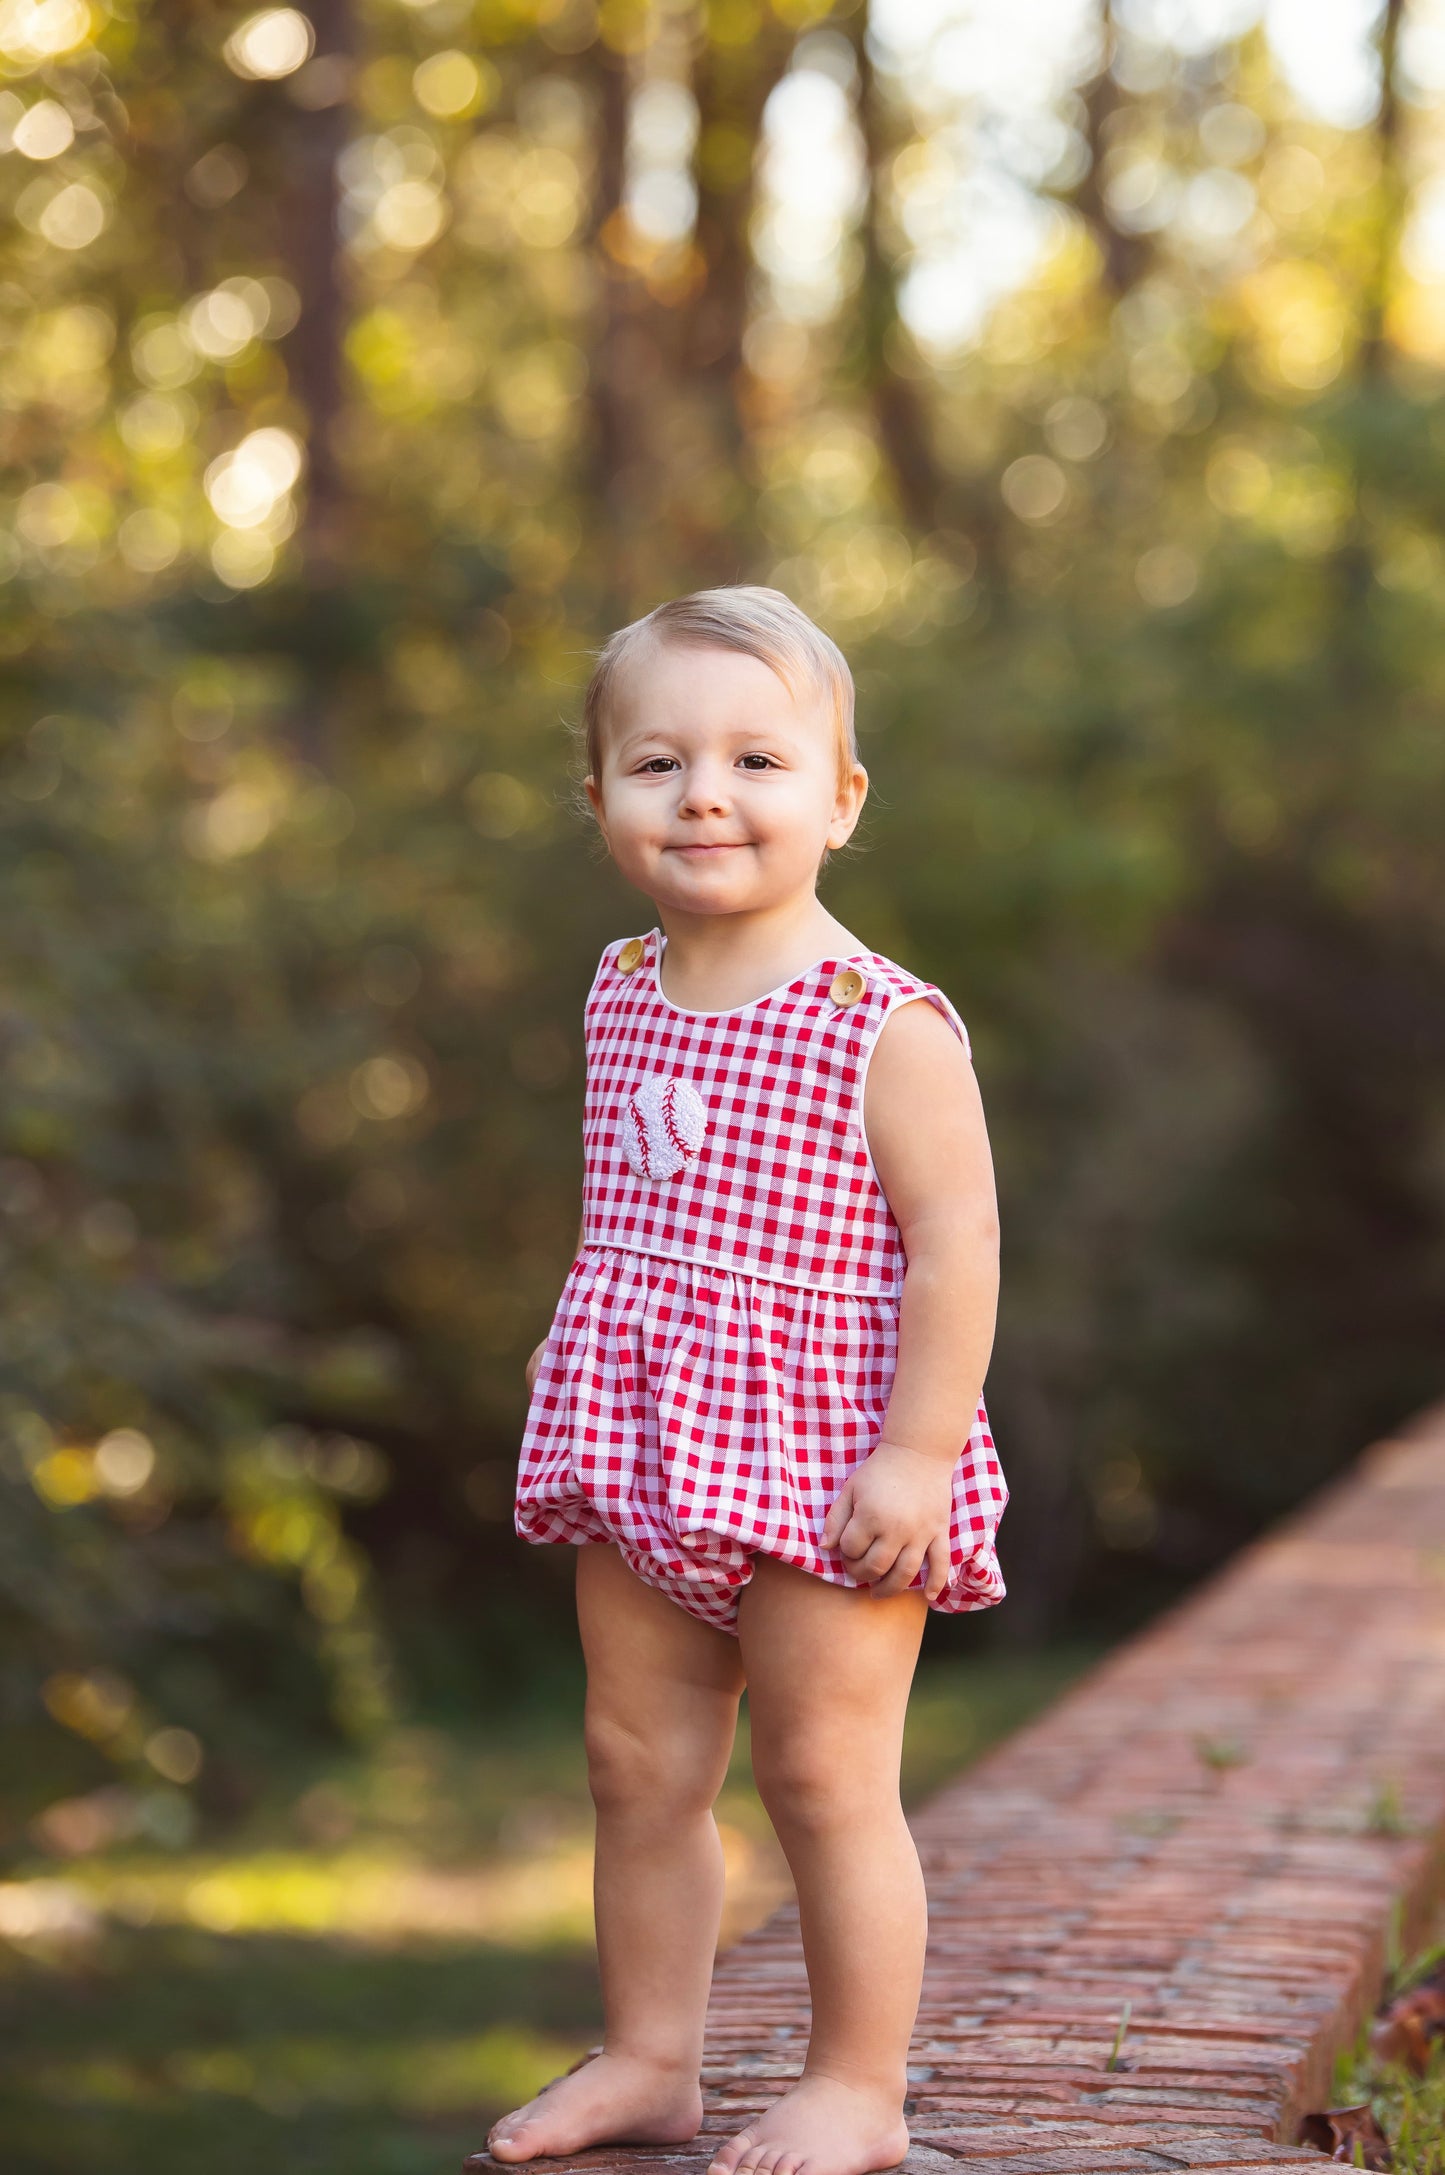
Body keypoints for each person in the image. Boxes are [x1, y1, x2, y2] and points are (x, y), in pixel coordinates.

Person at [478, 585, 1007, 2175]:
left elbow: (956, 1247)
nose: (705, 792)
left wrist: (913, 1455)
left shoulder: (878, 1022)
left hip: (827, 1444)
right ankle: (649, 2056)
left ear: (840, 798)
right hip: (638, 1430)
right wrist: (571, 1336)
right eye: (657, 764)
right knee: (635, 1762)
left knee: (820, 1771)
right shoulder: (618, 987)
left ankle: (859, 2084)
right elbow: (629, 1193)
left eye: (758, 761)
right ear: (599, 801)